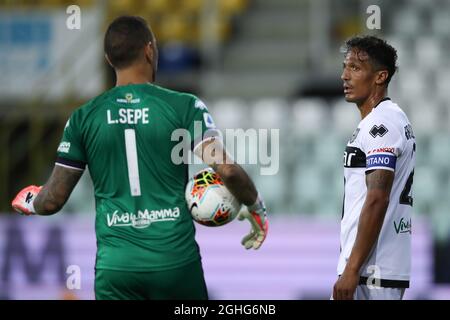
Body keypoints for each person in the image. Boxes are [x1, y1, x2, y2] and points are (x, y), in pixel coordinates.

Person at [11, 16, 268, 300]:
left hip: (117, 268)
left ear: (109, 58)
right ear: (149, 50)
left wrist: (32, 201)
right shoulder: (185, 106)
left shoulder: (82, 118)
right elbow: (228, 171)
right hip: (175, 263)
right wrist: (255, 205)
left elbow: (53, 200)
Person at [333, 36, 415, 300]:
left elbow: (377, 198)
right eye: (345, 67)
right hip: (371, 270)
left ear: (380, 76)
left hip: (372, 272)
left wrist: (352, 269)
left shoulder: (382, 125)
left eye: (355, 68)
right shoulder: (386, 119)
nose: (345, 76)